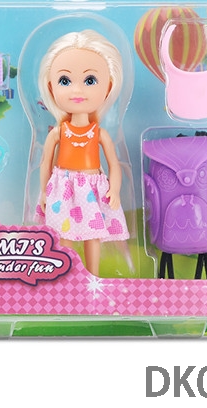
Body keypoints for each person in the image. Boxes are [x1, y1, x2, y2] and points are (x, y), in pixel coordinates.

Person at [34, 30, 130, 276]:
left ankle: (93, 276)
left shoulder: (99, 133)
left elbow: (114, 164)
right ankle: (69, 275)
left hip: (92, 187)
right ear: (51, 87)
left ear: (108, 87)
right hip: (63, 187)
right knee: (64, 234)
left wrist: (114, 189)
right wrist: (43, 192)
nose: (77, 90)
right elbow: (45, 163)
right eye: (65, 81)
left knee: (93, 234)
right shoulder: (58, 132)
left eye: (90, 81)